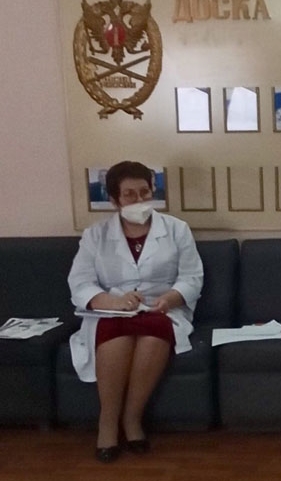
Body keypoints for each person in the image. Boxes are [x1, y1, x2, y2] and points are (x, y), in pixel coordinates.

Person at [68, 161, 203, 464]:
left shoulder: (176, 229)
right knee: (116, 337)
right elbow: (80, 282)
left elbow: (192, 277)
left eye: (144, 192)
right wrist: (111, 302)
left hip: (160, 308)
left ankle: (132, 420)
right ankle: (107, 423)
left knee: (154, 335)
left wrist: (170, 298)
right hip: (112, 310)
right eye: (129, 194)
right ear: (114, 200)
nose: (139, 199)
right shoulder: (95, 235)